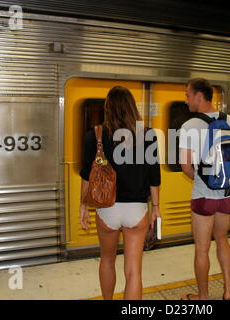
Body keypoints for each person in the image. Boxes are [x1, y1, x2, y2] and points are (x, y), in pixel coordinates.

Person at [79, 86, 161, 300]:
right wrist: (156, 209)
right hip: (136, 210)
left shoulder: (95, 135)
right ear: (132, 107)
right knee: (134, 270)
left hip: (107, 209)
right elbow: (154, 176)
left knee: (107, 260)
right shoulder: (147, 135)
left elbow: (87, 175)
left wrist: (83, 207)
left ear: (108, 108)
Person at [179, 78, 230, 300]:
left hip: (205, 196)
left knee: (202, 249)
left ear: (199, 96)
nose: (186, 100)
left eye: (187, 95)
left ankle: (203, 297)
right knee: (222, 240)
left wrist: (204, 180)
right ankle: (228, 292)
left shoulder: (189, 126)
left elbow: (185, 166)